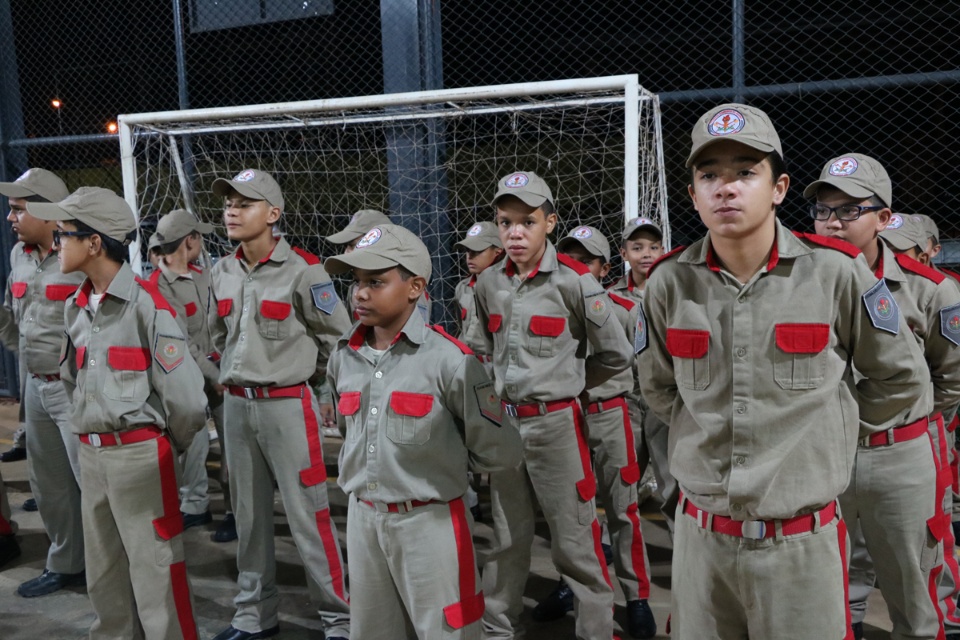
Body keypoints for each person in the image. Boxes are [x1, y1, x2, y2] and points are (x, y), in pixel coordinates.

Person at [637, 104, 930, 640]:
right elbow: (658, 387)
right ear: (693, 195)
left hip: (800, 543)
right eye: (710, 175)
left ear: (778, 188)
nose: (726, 188)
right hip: (702, 540)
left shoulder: (836, 274)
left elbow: (900, 379)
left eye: (746, 172)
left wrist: (825, 435)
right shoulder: (666, 283)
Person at [324, 222, 521, 639]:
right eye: (357, 281)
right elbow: (350, 432)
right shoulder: (344, 356)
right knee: (372, 630)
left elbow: (499, 450)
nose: (360, 293)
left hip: (428, 524)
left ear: (414, 287)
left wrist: (442, 465)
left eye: (376, 282)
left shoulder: (451, 362)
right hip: (363, 520)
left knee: (447, 629)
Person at [32, 186, 207, 639]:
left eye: (65, 234)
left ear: (94, 243)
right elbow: (75, 381)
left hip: (139, 458)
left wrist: (166, 450)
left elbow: (187, 401)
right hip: (91, 455)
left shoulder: (148, 305)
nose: (57, 244)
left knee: (157, 578)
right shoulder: (77, 306)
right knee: (104, 577)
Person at [474, 171, 633, 640]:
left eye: (527, 221)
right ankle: (498, 627)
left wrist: (576, 391)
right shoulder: (488, 284)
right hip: (505, 428)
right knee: (506, 537)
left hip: (557, 427)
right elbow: (479, 352)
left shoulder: (575, 283)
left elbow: (616, 354)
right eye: (505, 222)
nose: (515, 233)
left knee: (575, 540)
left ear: (549, 223)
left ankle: (595, 631)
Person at [807, 157, 960, 639]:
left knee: (914, 585)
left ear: (884, 217)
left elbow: (951, 382)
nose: (832, 221)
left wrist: (902, 426)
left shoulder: (930, 290)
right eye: (823, 209)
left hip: (900, 454)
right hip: (820, 454)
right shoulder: (794, 287)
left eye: (850, 209)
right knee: (824, 586)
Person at [208, 169, 350, 640]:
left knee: (310, 517)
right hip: (237, 407)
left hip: (288, 406)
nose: (231, 210)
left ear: (273, 214)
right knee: (248, 519)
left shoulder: (306, 271)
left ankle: (340, 619)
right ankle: (254, 616)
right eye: (228, 202)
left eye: (244, 203)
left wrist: (326, 393)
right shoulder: (221, 270)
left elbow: (340, 339)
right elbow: (216, 336)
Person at [533, 225, 656, 638]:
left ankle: (636, 597)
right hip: (565, 417)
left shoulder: (623, 308)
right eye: (569, 256)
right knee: (573, 516)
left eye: (587, 259)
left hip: (610, 413)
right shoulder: (550, 302)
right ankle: (574, 587)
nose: (577, 265)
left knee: (623, 509)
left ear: (604, 267)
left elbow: (642, 370)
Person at [0, 168, 86, 598]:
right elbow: (11, 319)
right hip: (36, 386)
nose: (10, 218)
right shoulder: (19, 255)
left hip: (74, 389)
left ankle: (113, 570)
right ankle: (67, 563)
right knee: (49, 483)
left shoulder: (82, 255)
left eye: (18, 209)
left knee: (92, 485)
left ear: (49, 212)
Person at [150, 208, 236, 543]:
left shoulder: (205, 275)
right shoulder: (158, 287)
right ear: (190, 240)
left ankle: (234, 511)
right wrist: (216, 374)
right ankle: (195, 505)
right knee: (190, 444)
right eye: (198, 237)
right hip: (188, 376)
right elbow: (182, 343)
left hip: (219, 372)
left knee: (232, 442)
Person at [608, 217, 676, 528]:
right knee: (624, 475)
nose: (646, 254)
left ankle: (683, 549)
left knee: (672, 477)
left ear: (664, 250)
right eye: (637, 248)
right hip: (628, 397)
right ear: (623, 254)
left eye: (653, 247)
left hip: (665, 396)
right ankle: (615, 545)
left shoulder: (675, 292)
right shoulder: (610, 298)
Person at [453, 220, 503, 522]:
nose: (469, 257)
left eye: (477, 251)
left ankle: (500, 499)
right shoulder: (462, 287)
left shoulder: (503, 287)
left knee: (495, 435)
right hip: (469, 365)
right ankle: (469, 497)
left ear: (497, 252)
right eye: (466, 251)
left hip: (495, 367)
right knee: (462, 432)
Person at [327, 209, 431, 324]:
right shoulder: (356, 288)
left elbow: (416, 335)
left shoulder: (406, 292)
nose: (346, 252)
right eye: (357, 281)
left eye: (353, 245)